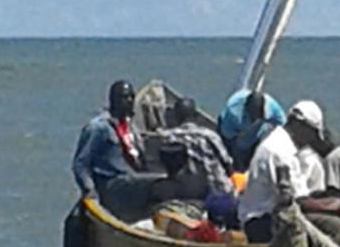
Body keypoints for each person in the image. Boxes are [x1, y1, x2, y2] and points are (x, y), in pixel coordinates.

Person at [237, 100, 340, 247]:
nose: (310, 141)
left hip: (282, 213)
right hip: (263, 221)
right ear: (301, 126)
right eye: (311, 134)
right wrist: (333, 205)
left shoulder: (286, 148)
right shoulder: (278, 151)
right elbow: (298, 202)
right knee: (335, 228)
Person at [72, 80, 164, 221]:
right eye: (124, 97)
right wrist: (89, 189)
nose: (129, 101)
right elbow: (81, 163)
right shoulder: (99, 128)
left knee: (167, 181)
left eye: (131, 97)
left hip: (131, 181)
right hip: (112, 183)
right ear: (113, 100)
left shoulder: (130, 127)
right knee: (160, 182)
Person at [155, 97, 235, 199]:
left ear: (176, 117)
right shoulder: (211, 135)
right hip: (217, 190)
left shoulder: (170, 136)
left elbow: (158, 139)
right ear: (196, 116)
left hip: (188, 189)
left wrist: (158, 129)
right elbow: (227, 163)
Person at [219, 89, 286, 171]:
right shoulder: (233, 114)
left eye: (260, 115)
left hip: (256, 137)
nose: (256, 118)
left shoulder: (272, 107)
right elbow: (227, 136)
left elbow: (284, 126)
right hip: (233, 137)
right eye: (253, 116)